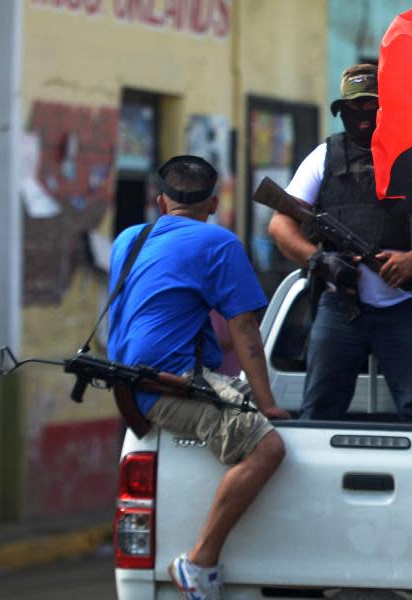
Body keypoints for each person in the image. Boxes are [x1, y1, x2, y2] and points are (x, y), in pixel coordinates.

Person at [108, 155, 288, 599]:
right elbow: (245, 331)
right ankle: (199, 561)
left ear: (160, 201)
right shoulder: (218, 243)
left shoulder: (129, 239)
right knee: (268, 448)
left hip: (129, 385)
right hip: (168, 383)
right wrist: (267, 404)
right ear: (213, 202)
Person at [268, 64, 412, 423]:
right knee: (318, 415)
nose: (361, 116)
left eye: (370, 107)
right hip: (340, 307)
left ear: (385, 107)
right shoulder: (325, 157)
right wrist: (318, 260)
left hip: (403, 306)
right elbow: (281, 224)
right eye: (352, 109)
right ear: (341, 112)